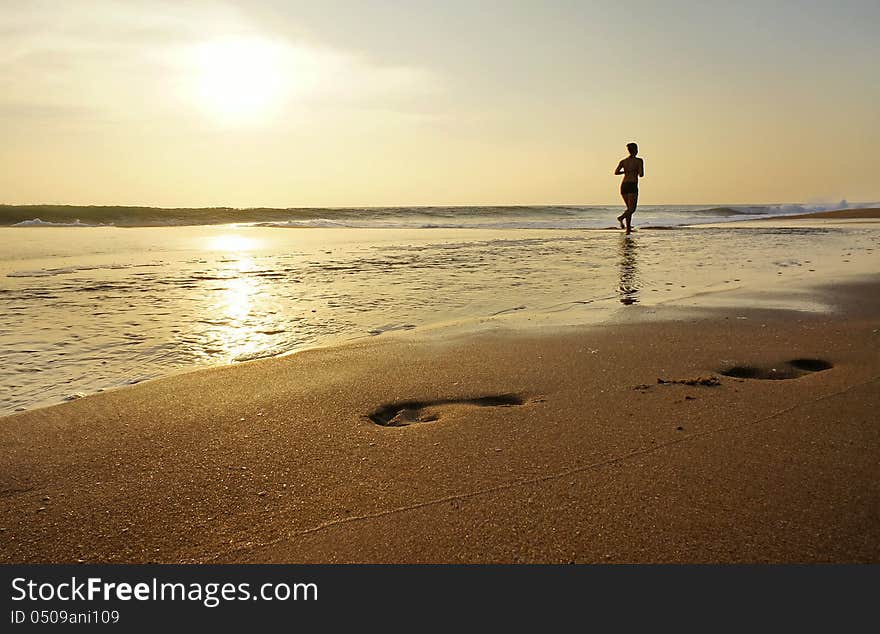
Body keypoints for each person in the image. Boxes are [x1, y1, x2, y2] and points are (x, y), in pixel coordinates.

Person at [614, 142, 644, 234]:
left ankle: (627, 229)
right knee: (632, 209)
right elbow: (641, 174)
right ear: (636, 150)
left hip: (624, 185)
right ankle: (621, 218)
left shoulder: (623, 161)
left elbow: (616, 172)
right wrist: (634, 171)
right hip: (632, 184)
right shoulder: (639, 161)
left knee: (629, 208)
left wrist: (625, 172)